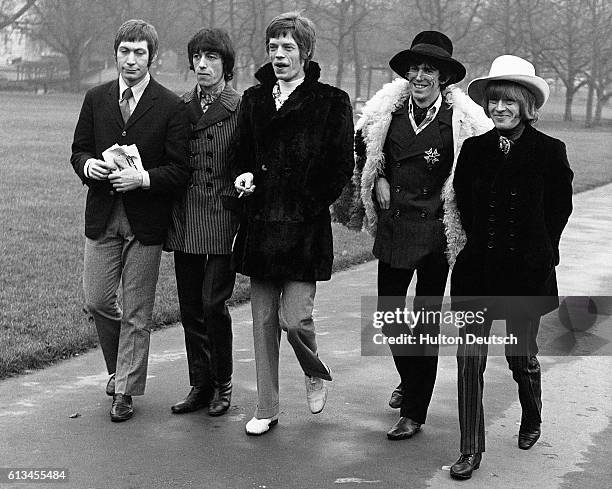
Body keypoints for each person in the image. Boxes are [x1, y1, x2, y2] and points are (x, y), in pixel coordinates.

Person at [353, 31, 492, 440]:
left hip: (434, 234)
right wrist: (375, 175)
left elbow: (473, 175)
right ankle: (413, 379)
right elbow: (363, 150)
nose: (419, 76)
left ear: (443, 78)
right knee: (390, 318)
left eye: (428, 70)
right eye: (414, 69)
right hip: (394, 229)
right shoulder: (386, 115)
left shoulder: (461, 124)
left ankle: (414, 410)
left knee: (424, 325)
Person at [448, 55, 573, 480]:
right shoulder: (474, 150)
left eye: (509, 101)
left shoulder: (550, 152)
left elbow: (558, 211)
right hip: (477, 272)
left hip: (525, 274)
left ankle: (531, 415)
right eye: (494, 101)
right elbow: (464, 205)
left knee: (520, 357)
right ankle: (469, 449)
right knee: (469, 362)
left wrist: (541, 256)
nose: (500, 108)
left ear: (526, 105)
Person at [232, 11, 354, 436]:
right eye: (273, 47)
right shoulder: (253, 100)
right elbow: (241, 154)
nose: (279, 55)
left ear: (305, 51)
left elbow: (342, 166)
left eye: (288, 47)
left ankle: (313, 368)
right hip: (261, 227)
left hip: (304, 230)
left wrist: (307, 202)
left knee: (295, 319)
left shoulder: (331, 101)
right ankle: (266, 408)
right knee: (263, 323)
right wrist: (243, 176)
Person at [70, 19, 189, 422]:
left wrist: (143, 177)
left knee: (138, 311)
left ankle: (125, 390)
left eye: (140, 52)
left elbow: (180, 170)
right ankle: (117, 368)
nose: (131, 60)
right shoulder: (96, 97)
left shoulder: (171, 105)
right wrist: (89, 167)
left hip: (146, 222)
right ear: (116, 53)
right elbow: (79, 150)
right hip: (102, 216)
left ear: (152, 57)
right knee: (97, 300)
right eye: (125, 51)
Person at [165, 28, 240, 417]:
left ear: (226, 64)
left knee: (214, 304)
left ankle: (223, 383)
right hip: (186, 218)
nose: (202, 64)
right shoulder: (180, 108)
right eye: (197, 57)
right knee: (190, 307)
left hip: (224, 219)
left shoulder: (241, 107)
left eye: (211, 57)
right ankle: (201, 383)